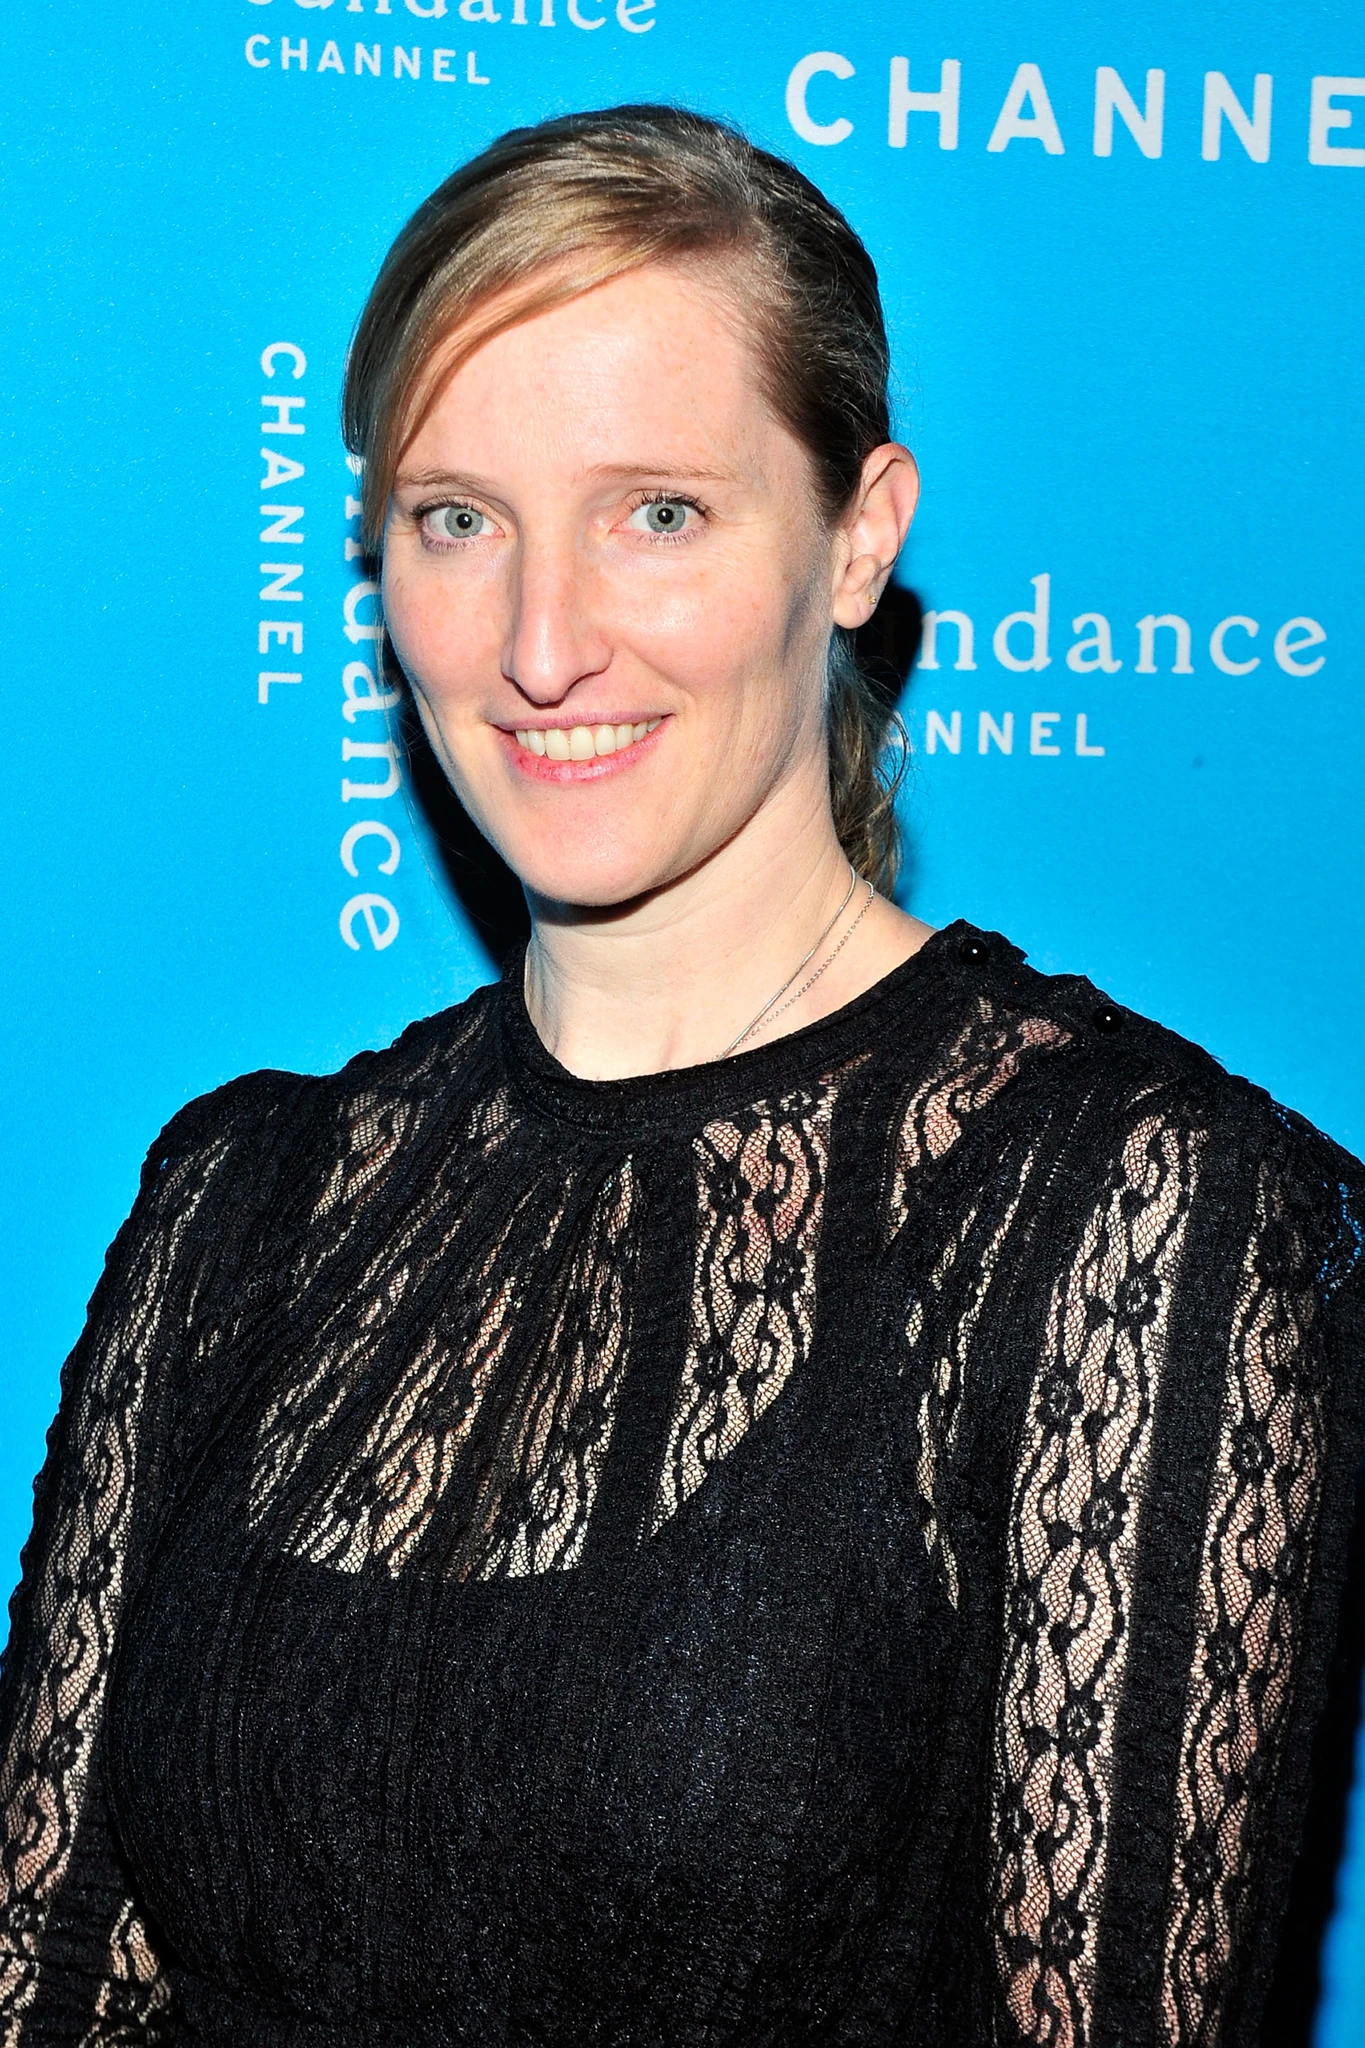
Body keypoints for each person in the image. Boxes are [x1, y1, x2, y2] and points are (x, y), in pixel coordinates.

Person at [0, 105, 1361, 2048]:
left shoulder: (1124, 1209)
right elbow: (51, 1972)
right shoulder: (242, 1197)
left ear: (858, 536)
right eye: (458, 519)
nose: (542, 645)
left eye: (657, 511)